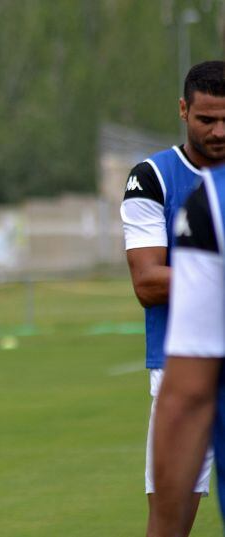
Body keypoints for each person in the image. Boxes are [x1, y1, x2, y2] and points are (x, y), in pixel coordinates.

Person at [121, 60, 225, 537]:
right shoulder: (153, 177)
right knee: (170, 522)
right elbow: (147, 282)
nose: (219, 130)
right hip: (181, 363)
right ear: (184, 111)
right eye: (207, 119)